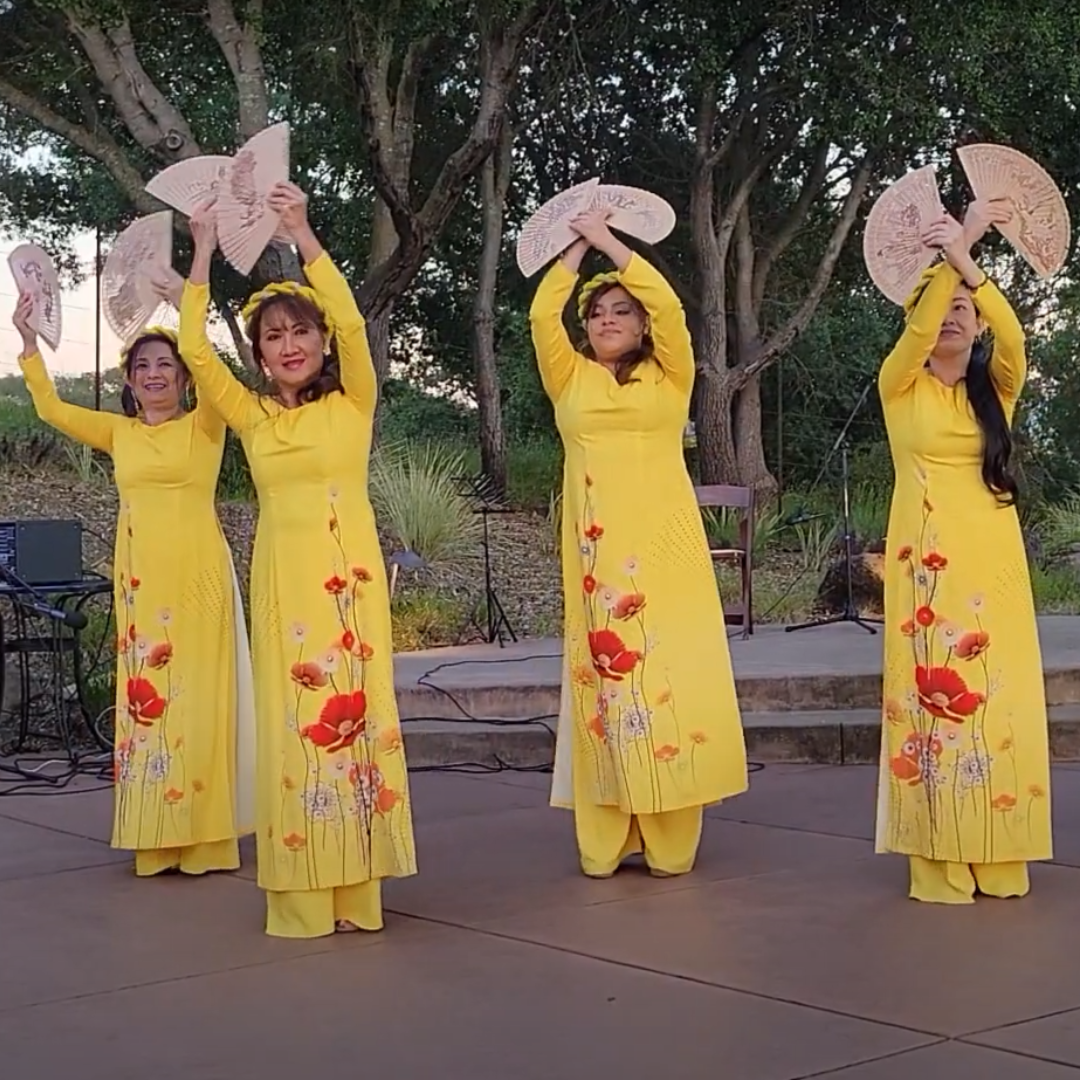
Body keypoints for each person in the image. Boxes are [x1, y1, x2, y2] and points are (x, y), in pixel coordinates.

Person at [178, 184, 416, 939]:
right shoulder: (250, 418)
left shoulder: (354, 403)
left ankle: (357, 889)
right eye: (273, 337)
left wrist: (302, 232)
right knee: (295, 727)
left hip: (352, 589)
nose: (289, 345)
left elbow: (350, 315)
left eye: (300, 333)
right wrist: (204, 251)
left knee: (359, 719)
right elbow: (191, 352)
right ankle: (304, 891)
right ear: (259, 355)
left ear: (319, 344)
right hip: (286, 587)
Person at [531, 208, 748, 879]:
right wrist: (572, 249)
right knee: (605, 686)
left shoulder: (670, 374)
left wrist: (608, 242)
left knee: (668, 681)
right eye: (597, 313)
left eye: (621, 311)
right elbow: (543, 317)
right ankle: (606, 837)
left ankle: (670, 839)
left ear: (641, 323)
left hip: (668, 553)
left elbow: (672, 307)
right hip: (597, 558)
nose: (607, 321)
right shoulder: (569, 376)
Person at [11, 292, 255, 877]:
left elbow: (219, 371)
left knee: (200, 700)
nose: (153, 375)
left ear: (185, 377)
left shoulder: (206, 425)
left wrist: (184, 304)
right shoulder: (119, 433)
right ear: (129, 379)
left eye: (164, 365)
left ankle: (204, 837)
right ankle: (156, 834)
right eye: (142, 366)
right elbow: (48, 407)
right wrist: (26, 341)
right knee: (150, 705)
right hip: (143, 585)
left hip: (198, 580)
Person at [875, 197, 1052, 904]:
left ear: (975, 325)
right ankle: (940, 858)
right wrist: (960, 242)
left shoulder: (996, 394)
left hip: (994, 557)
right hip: (925, 561)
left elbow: (1014, 339)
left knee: (999, 699)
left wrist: (968, 260)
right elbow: (921, 323)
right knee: (932, 698)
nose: (950, 316)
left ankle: (999, 852)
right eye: (938, 306)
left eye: (962, 309)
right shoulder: (900, 388)